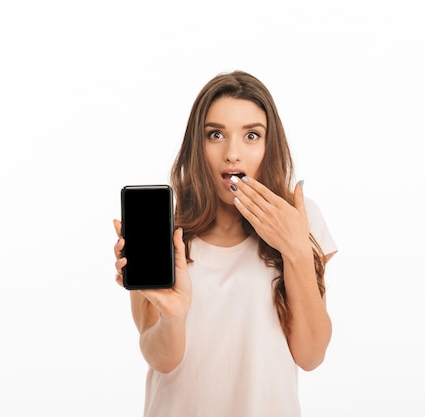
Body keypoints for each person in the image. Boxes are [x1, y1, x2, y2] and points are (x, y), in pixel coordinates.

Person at [112, 70, 337, 417]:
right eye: (215, 134)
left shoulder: (299, 220)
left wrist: (294, 250)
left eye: (251, 135)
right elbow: (161, 359)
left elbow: (310, 355)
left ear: (269, 145)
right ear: (196, 146)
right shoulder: (164, 232)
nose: (233, 154)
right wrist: (173, 318)